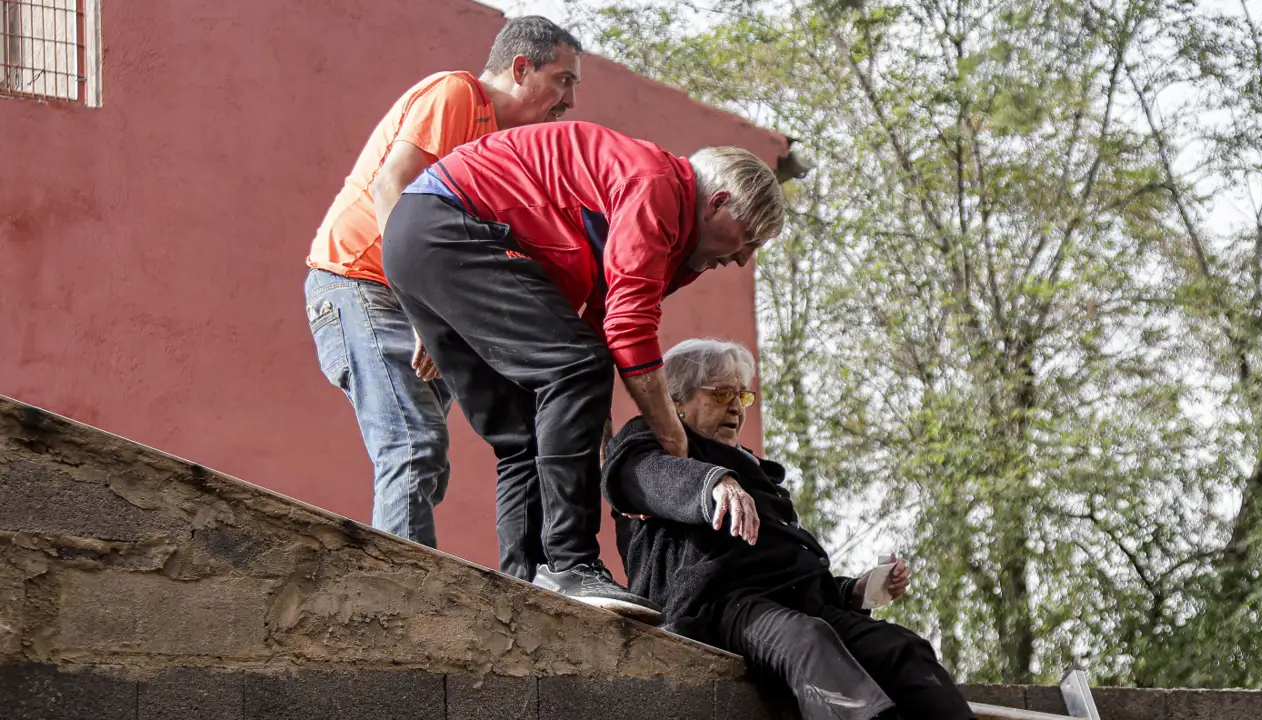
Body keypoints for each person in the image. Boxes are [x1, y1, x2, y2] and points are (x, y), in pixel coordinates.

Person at [381, 121, 785, 619]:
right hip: (451, 224)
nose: (743, 259)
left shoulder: (677, 242)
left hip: (419, 240)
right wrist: (672, 438)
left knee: (525, 431)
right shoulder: (657, 185)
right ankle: (571, 564)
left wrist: (597, 423)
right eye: (747, 239)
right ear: (717, 202)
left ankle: (524, 584)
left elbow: (601, 315)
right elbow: (627, 328)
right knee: (575, 367)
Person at [302, 17, 583, 548]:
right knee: (413, 447)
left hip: (413, 303)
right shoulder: (458, 93)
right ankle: (400, 602)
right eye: (564, 80)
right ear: (521, 68)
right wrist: (424, 313)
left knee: (427, 462)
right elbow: (393, 185)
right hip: (361, 286)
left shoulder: (500, 148)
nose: (568, 101)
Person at [602, 338, 977, 720]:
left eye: (742, 397)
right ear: (676, 401)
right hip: (722, 604)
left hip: (801, 604)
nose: (735, 406)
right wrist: (714, 483)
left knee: (902, 647)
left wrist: (852, 591)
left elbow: (784, 566)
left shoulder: (756, 470)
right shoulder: (650, 444)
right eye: (722, 393)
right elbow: (640, 478)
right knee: (808, 640)